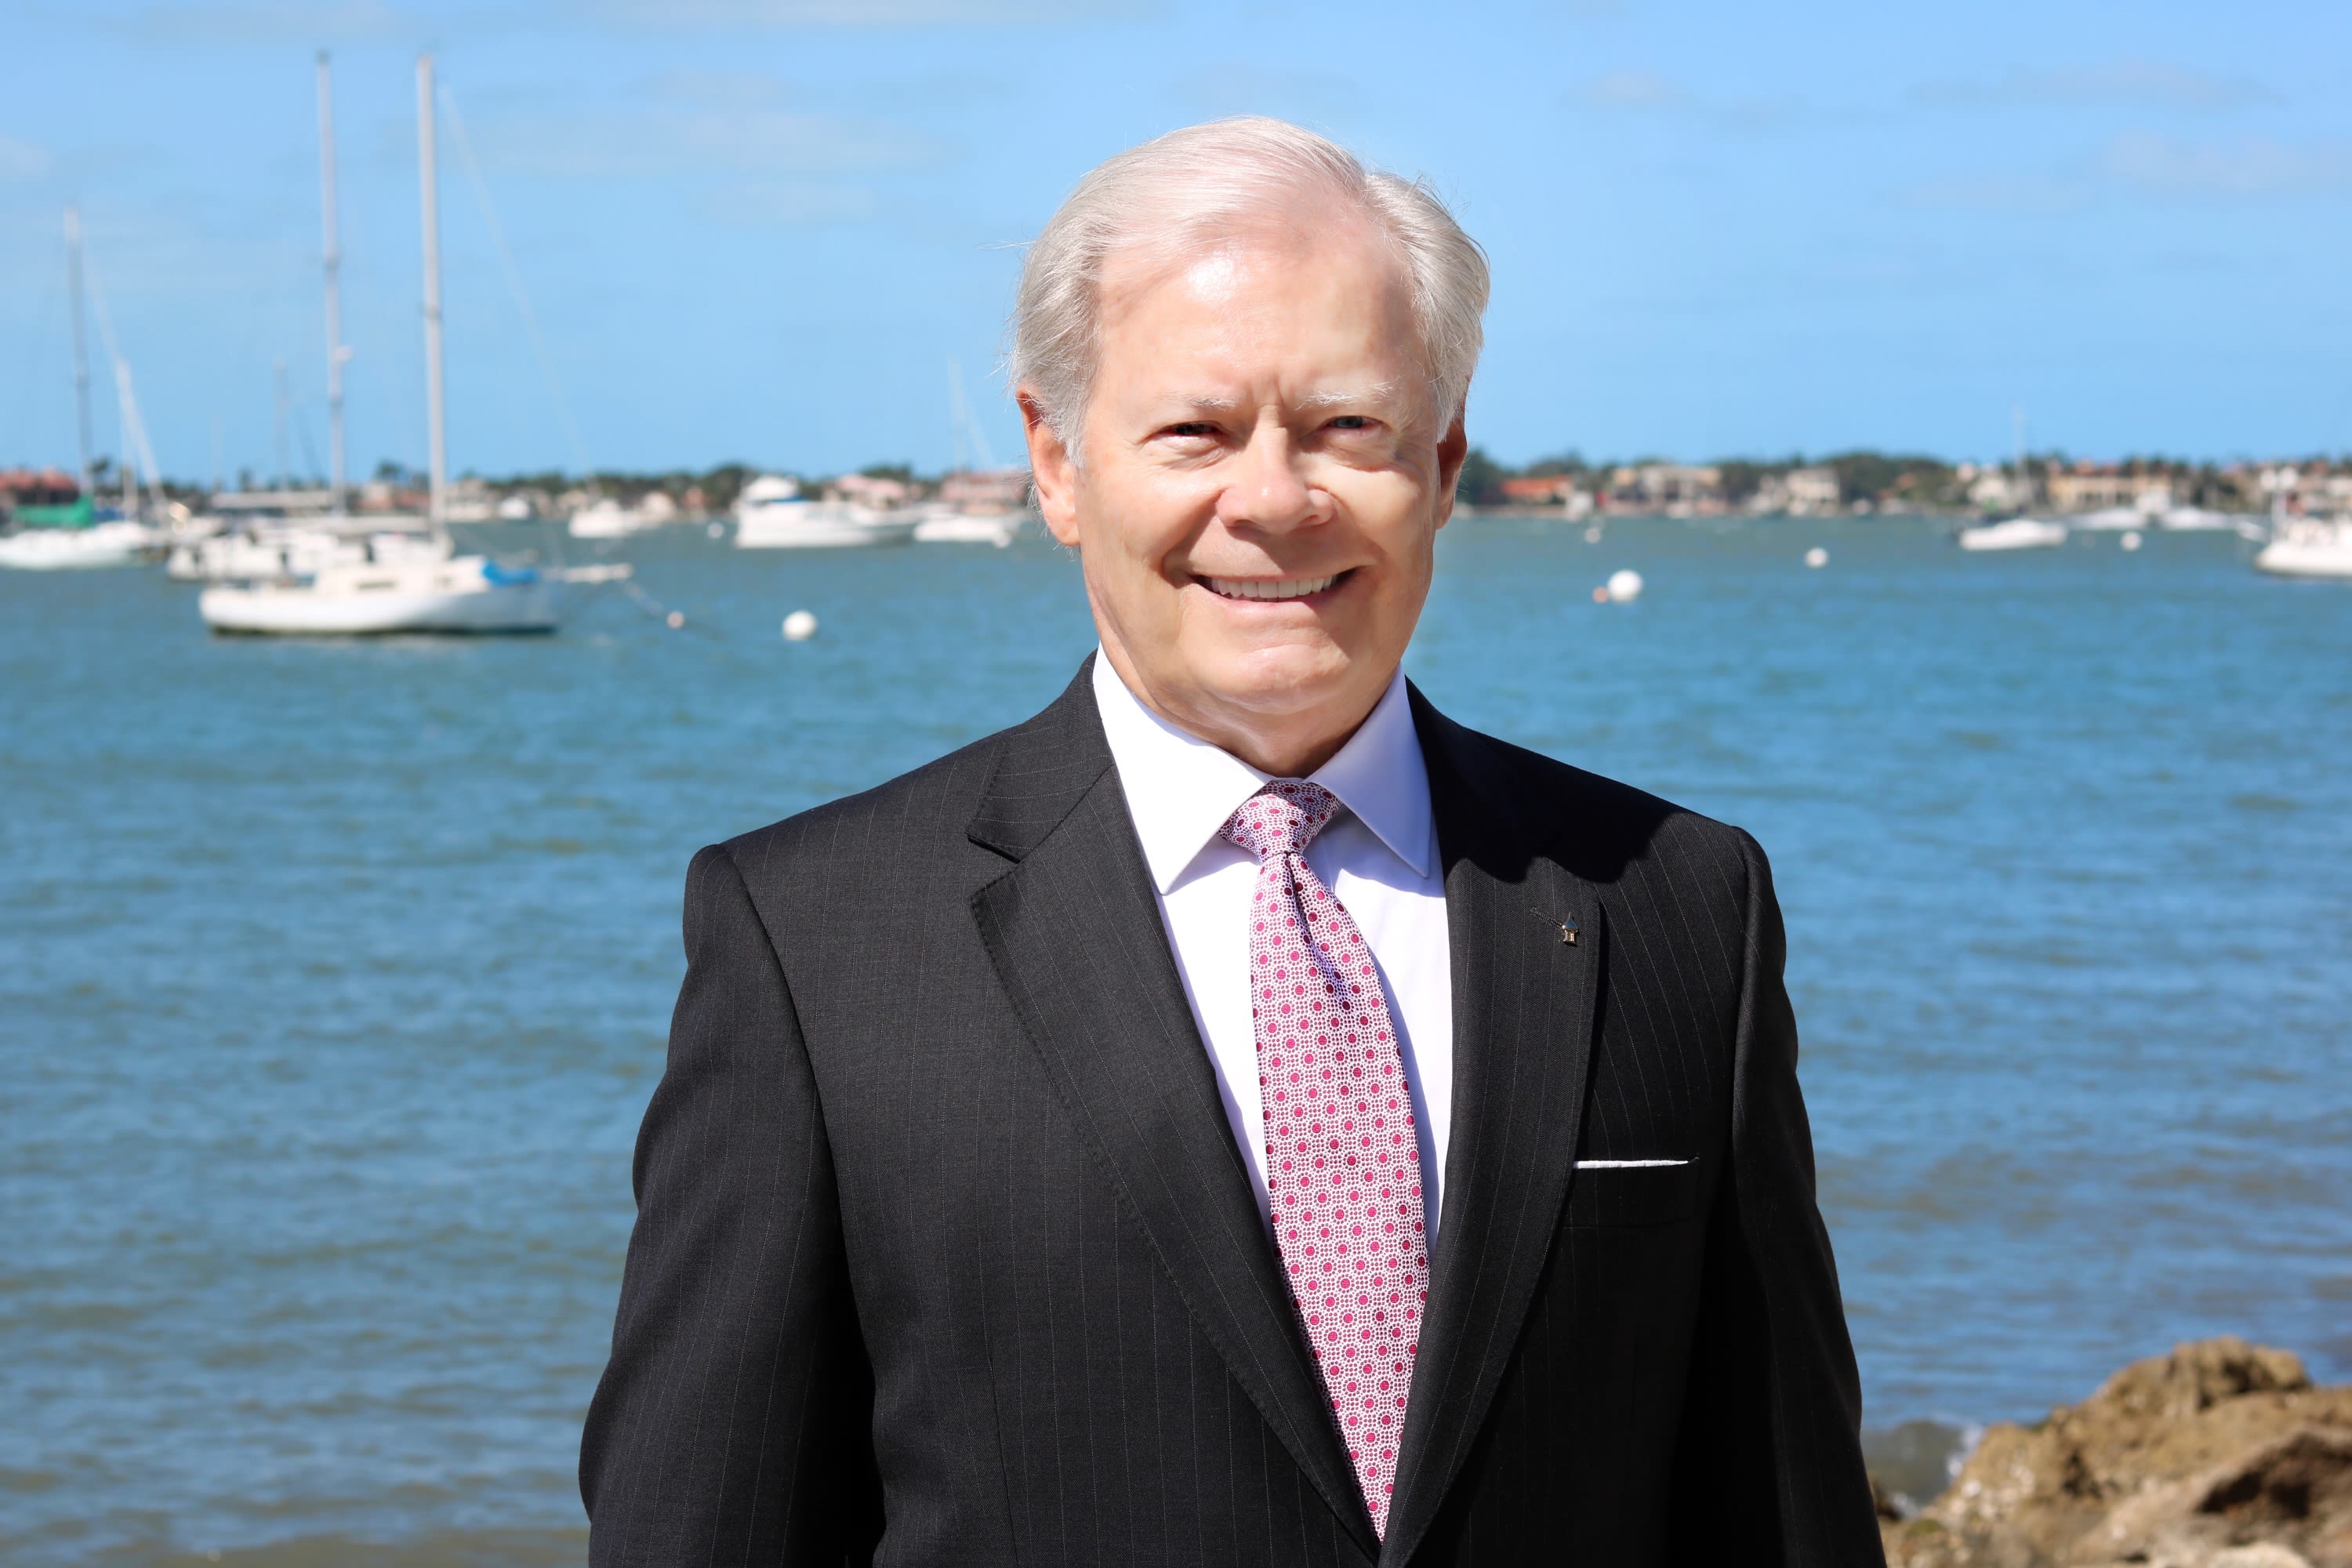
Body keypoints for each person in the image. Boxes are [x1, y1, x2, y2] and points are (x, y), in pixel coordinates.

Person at [581, 117, 1886, 1566]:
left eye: (1348, 428)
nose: (1272, 500)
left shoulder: (1679, 903)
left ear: (1444, 460)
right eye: (1195, 431)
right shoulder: (816, 944)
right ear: (1058, 462)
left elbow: (1784, 1512)